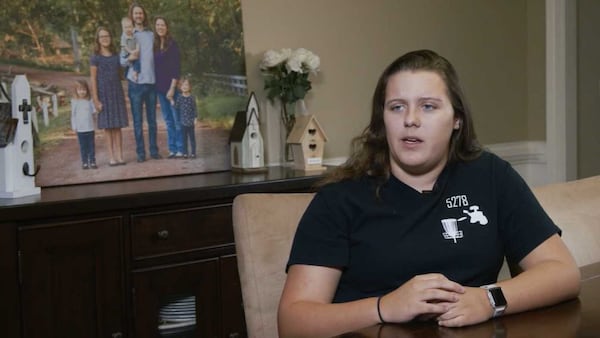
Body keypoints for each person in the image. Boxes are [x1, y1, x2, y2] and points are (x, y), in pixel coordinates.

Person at [277, 49, 581, 338]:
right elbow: (294, 322)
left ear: (457, 120)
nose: (411, 119)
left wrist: (488, 299)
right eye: (397, 107)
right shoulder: (339, 198)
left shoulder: (490, 175)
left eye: (428, 106)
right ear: (382, 120)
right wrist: (385, 307)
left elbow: (562, 273)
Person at [121, 2, 160, 162]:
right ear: (132, 15)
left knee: (152, 121)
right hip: (135, 84)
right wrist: (131, 57)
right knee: (138, 121)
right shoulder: (127, 34)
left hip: (151, 83)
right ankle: (141, 153)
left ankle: (154, 151)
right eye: (136, 13)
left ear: (144, 15)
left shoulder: (151, 35)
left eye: (140, 13)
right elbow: (122, 61)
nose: (138, 16)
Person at [90, 26, 128, 167]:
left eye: (107, 36)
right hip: (103, 94)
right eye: (102, 36)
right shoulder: (95, 57)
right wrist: (95, 99)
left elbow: (123, 71)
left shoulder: (116, 55)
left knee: (117, 126)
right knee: (107, 127)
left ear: (110, 38)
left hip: (116, 93)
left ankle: (119, 156)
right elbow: (93, 79)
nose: (105, 38)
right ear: (98, 40)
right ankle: (111, 157)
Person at [153, 15, 183, 158]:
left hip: (172, 88)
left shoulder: (172, 44)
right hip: (160, 88)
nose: (160, 27)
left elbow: (176, 68)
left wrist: (172, 88)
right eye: (158, 25)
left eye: (162, 25)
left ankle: (180, 148)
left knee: (177, 119)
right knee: (168, 120)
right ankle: (172, 149)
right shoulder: (155, 45)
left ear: (167, 27)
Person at [70, 79, 97, 170]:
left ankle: (92, 161)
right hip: (80, 129)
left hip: (90, 128)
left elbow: (94, 112)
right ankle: (84, 162)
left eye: (84, 90)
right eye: (80, 90)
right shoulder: (75, 101)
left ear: (87, 90)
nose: (82, 92)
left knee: (91, 146)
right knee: (83, 147)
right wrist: (74, 127)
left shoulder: (89, 100)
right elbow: (73, 115)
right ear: (76, 90)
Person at [173, 77, 197, 159]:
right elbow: (176, 107)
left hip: (190, 122)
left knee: (192, 138)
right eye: (183, 85)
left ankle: (193, 153)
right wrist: (172, 101)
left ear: (190, 87)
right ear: (180, 87)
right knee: (184, 139)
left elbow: (194, 108)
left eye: (186, 85)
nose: (185, 86)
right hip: (183, 122)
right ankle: (185, 153)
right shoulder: (179, 97)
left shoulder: (192, 97)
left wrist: (195, 118)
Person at [120, 17, 140, 82]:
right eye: (126, 27)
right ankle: (125, 76)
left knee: (137, 61)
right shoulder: (123, 36)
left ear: (133, 27)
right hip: (126, 53)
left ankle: (135, 73)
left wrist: (137, 49)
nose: (128, 29)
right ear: (123, 28)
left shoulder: (134, 35)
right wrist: (131, 52)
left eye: (129, 27)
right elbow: (124, 46)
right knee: (127, 66)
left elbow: (137, 43)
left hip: (133, 51)